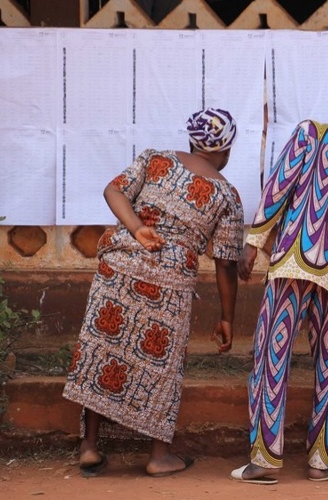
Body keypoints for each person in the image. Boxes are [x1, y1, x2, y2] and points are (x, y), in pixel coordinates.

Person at [62, 108, 244, 477]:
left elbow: (113, 190)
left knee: (103, 350)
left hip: (120, 265)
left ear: (192, 140)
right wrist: (227, 317)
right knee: (163, 365)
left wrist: (136, 228)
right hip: (170, 280)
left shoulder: (155, 159)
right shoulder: (227, 195)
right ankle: (159, 456)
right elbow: (225, 263)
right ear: (226, 150)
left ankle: (90, 447)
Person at [230, 88, 328, 485]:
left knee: (271, 361)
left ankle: (265, 461)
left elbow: (277, 189)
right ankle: (319, 460)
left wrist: (253, 243)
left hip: (290, 266)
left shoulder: (309, 133)